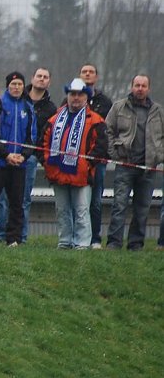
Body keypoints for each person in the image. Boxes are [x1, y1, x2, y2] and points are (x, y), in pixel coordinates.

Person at [41, 79, 108, 249]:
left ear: (87, 97)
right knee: (62, 210)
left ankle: (82, 244)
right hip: (57, 173)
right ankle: (64, 242)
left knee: (82, 210)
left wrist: (87, 164)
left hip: (82, 175)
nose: (76, 98)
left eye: (80, 94)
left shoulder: (96, 120)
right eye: (72, 94)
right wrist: (47, 163)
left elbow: (100, 147)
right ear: (68, 96)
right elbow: (43, 143)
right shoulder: (55, 119)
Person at [105, 75, 164, 251]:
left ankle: (136, 244)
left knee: (142, 208)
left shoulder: (158, 111)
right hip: (125, 165)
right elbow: (108, 130)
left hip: (148, 168)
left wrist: (159, 155)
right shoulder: (119, 107)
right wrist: (115, 154)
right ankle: (114, 243)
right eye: (137, 85)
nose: (140, 88)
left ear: (148, 89)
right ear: (131, 87)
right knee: (119, 205)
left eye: (143, 86)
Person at [0, 71, 37, 246]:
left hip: (19, 164)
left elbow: (32, 136)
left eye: (20, 84)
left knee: (17, 203)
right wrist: (6, 154)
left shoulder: (28, 107)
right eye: (13, 84)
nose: (16, 87)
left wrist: (23, 155)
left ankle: (14, 237)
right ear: (7, 86)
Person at [17, 67, 58, 242]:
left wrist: (39, 155)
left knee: (25, 199)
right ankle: (1, 234)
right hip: (11, 155)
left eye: (45, 77)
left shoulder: (51, 108)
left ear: (49, 82)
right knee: (4, 198)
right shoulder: (19, 99)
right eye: (39, 76)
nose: (41, 79)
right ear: (32, 78)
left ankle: (21, 236)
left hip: (32, 158)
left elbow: (49, 135)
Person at [79, 64, 114, 248]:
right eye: (84, 72)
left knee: (96, 201)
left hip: (98, 161)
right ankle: (78, 236)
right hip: (77, 160)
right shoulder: (71, 99)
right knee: (77, 201)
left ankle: (95, 238)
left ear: (96, 77)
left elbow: (109, 131)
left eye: (91, 72)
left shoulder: (105, 102)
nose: (87, 74)